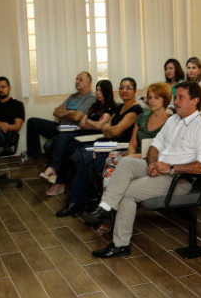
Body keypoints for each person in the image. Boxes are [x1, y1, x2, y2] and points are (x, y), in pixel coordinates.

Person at [81, 82, 201, 258]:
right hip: (159, 167)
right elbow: (155, 146)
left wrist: (171, 167)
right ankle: (105, 207)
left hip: (178, 179)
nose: (177, 101)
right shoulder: (173, 120)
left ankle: (120, 245)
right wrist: (152, 164)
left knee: (128, 192)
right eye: (176, 97)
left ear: (195, 101)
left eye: (182, 97)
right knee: (127, 162)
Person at [53, 78, 143, 213]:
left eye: (129, 88)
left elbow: (115, 130)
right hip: (107, 143)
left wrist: (109, 130)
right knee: (79, 153)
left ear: (135, 91)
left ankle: (76, 203)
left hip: (120, 147)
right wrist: (109, 130)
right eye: (122, 87)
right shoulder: (119, 107)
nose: (124, 91)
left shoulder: (135, 109)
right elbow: (106, 128)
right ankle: (85, 199)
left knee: (86, 157)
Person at [40, 80, 116, 196]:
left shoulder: (110, 107)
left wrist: (89, 122)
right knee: (62, 141)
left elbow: (99, 126)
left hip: (93, 138)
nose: (98, 92)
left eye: (101, 90)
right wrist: (92, 123)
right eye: (97, 90)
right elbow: (81, 123)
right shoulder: (95, 105)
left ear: (107, 91)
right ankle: (56, 176)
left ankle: (56, 175)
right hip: (82, 133)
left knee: (63, 142)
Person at [25, 71, 96, 160]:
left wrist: (64, 112)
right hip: (60, 127)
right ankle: (34, 157)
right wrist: (70, 112)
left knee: (49, 145)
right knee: (32, 122)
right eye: (76, 79)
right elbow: (56, 112)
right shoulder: (73, 96)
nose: (77, 81)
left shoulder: (91, 98)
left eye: (80, 80)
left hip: (72, 131)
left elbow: (76, 117)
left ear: (89, 83)